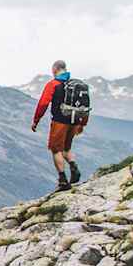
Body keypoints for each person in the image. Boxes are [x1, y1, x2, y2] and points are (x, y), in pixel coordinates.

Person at [31, 60, 90, 192]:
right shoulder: (76, 84)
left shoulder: (53, 84)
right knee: (66, 148)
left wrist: (36, 120)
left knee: (56, 149)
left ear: (55, 69)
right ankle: (74, 167)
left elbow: (43, 104)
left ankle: (63, 180)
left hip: (59, 122)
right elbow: (84, 105)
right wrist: (82, 123)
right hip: (75, 121)